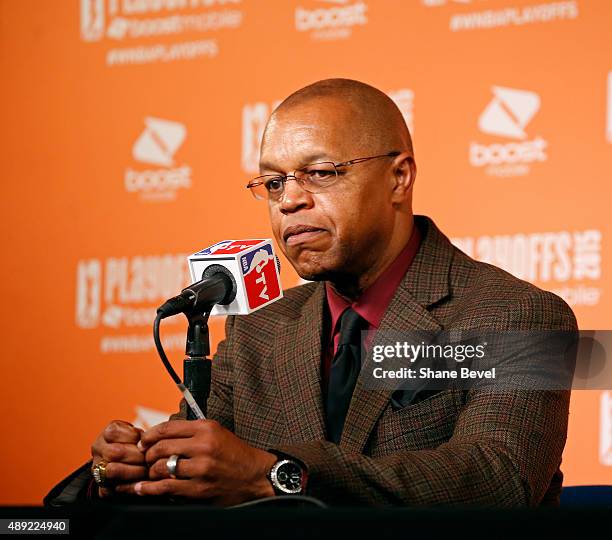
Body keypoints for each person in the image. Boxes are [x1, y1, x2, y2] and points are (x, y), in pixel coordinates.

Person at [63, 78, 578, 507]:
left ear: (399, 177)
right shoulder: (257, 329)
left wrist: (279, 474)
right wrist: (134, 466)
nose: (288, 201)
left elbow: (496, 479)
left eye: (320, 173)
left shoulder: (520, 314)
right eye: (271, 183)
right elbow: (190, 474)